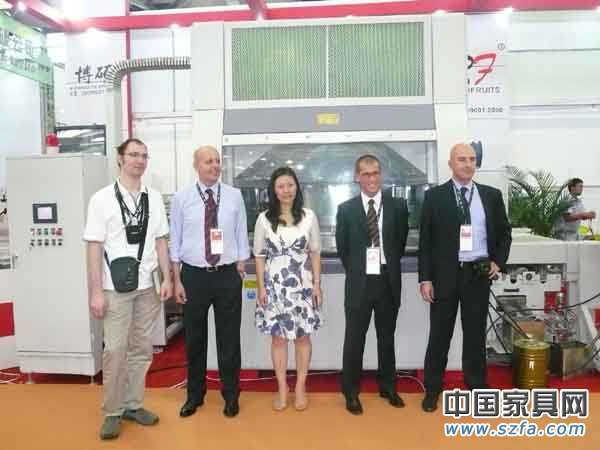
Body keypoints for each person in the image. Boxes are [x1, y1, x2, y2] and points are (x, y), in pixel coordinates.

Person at [84, 138, 172, 440]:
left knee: (141, 349)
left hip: (148, 286)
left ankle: (133, 404)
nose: (139, 160)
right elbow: (94, 247)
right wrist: (96, 291)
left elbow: (161, 241)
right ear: (120, 159)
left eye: (144, 155)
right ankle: (112, 411)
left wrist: (167, 278)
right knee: (115, 350)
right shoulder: (101, 199)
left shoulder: (154, 198)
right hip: (114, 289)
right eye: (133, 154)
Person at [418, 143, 512, 412]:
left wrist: (498, 262)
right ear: (450, 164)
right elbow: (426, 242)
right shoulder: (435, 197)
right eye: (462, 159)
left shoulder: (491, 195)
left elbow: (504, 234)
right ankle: (432, 389)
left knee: (475, 335)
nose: (468, 164)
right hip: (445, 275)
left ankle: (477, 386)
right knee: (439, 335)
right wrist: (425, 279)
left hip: (478, 274)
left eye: (472, 159)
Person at [170, 145, 250, 418]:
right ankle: (195, 395)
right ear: (196, 165)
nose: (215, 165)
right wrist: (177, 279)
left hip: (227, 275)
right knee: (195, 339)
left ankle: (231, 395)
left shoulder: (234, 196)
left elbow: (241, 232)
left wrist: (241, 263)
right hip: (193, 276)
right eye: (208, 161)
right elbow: (175, 239)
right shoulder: (181, 198)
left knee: (229, 338)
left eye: (217, 161)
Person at [335, 154, 409, 415]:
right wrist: (359, 269)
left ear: (381, 175)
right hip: (360, 282)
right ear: (357, 177)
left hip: (388, 280)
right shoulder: (346, 210)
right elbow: (343, 249)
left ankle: (388, 387)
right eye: (365, 174)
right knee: (354, 339)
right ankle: (351, 392)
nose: (371, 178)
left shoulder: (398, 206)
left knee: (386, 338)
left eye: (375, 173)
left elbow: (399, 242)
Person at [254, 167, 322, 412]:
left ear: (297, 187)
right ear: (274, 190)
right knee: (279, 338)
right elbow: (259, 255)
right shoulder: (264, 219)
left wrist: (317, 285)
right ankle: (282, 388)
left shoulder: (309, 216)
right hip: (275, 287)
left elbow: (315, 252)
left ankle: (301, 387)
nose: (286, 190)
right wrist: (261, 288)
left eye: (290, 185)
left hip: (303, 286)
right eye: (281, 186)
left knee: (303, 337)